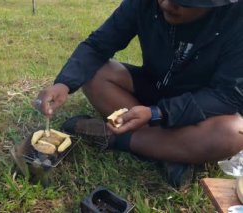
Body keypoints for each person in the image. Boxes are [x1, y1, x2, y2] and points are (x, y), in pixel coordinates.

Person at [33, 0, 243, 188]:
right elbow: (98, 46)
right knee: (95, 72)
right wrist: (64, 83)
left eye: (184, 2)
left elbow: (227, 96)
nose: (166, 4)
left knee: (234, 132)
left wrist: (157, 113)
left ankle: (114, 138)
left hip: (200, 111)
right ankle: (171, 150)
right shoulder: (144, 3)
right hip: (153, 88)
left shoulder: (237, 20)